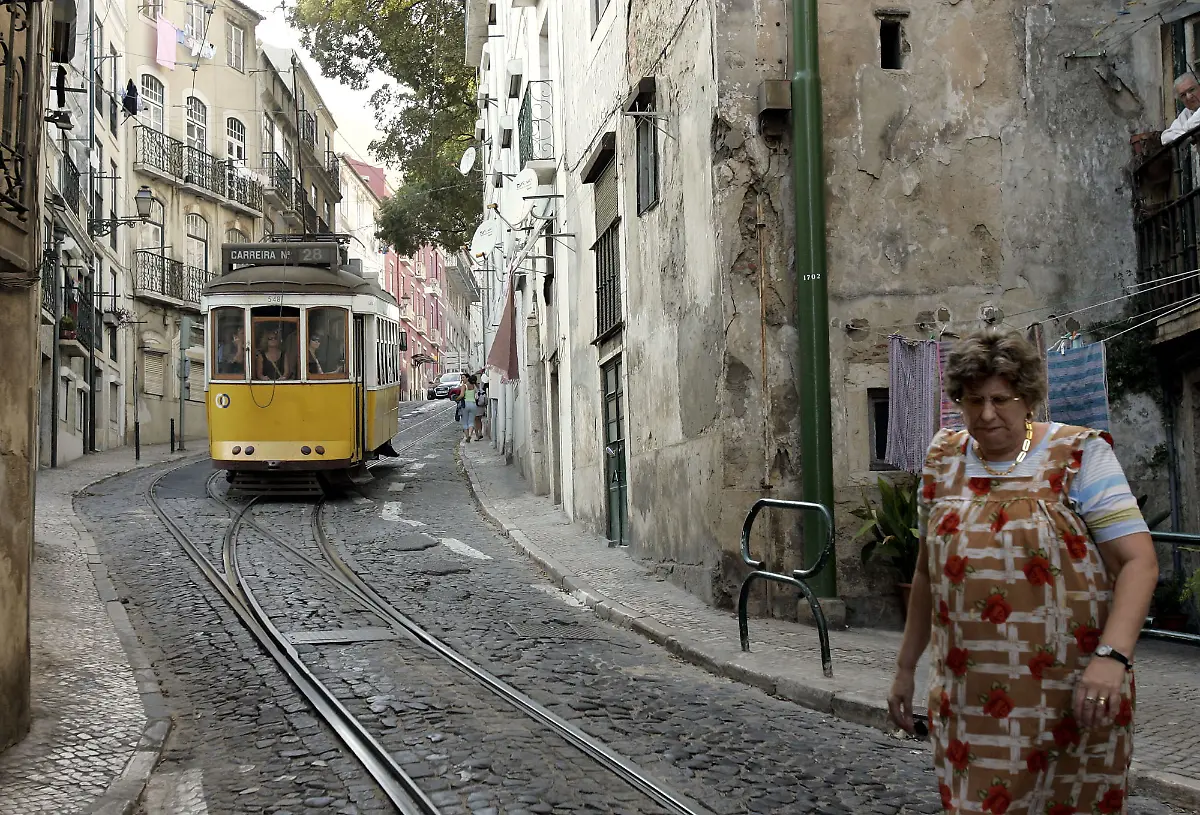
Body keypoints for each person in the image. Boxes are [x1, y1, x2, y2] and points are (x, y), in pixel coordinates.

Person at [887, 328, 1158, 815]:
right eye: (973, 401)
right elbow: (928, 572)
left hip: (1072, 693)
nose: (986, 415)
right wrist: (905, 669)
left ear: (1028, 398)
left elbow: (1138, 561)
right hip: (970, 698)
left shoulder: (1079, 455)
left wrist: (1112, 658)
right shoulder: (942, 459)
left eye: (1000, 399)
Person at [1162, 72, 1200, 144]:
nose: (1188, 97)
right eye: (1183, 95)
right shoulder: (1187, 112)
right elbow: (1165, 138)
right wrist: (1188, 136)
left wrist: (1185, 131)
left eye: (1191, 90)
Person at [460, 374, 480, 443]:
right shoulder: (474, 386)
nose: (462, 379)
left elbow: (462, 395)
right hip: (473, 404)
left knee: (465, 421)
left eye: (463, 377)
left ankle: (467, 436)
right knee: (471, 421)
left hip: (465, 404)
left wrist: (457, 398)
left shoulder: (464, 386)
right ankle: (470, 434)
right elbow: (478, 392)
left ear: (468, 378)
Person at [473, 375, 488, 441]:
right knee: (479, 420)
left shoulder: (471, 387)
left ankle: (477, 436)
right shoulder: (480, 386)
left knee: (475, 421)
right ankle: (480, 432)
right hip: (481, 405)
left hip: (475, 405)